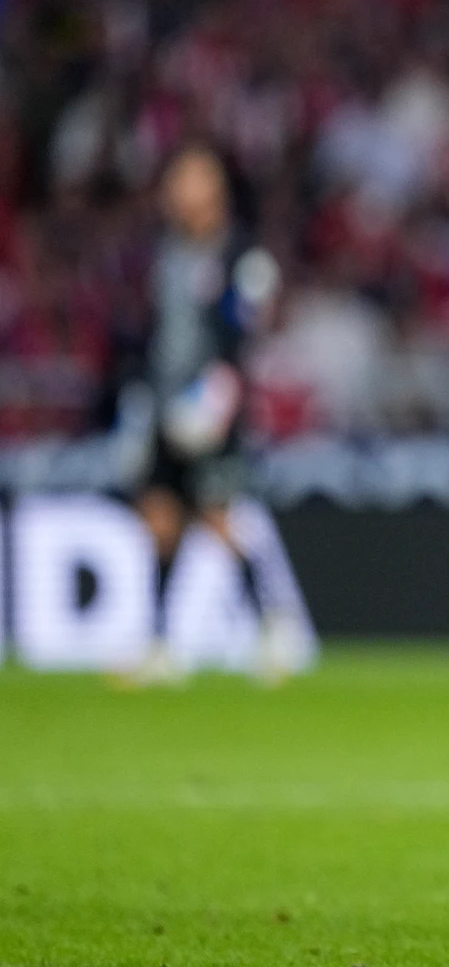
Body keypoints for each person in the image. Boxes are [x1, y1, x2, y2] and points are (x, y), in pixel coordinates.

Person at [129, 144, 287, 683]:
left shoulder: (240, 255)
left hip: (211, 406)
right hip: (162, 403)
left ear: (214, 188)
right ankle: (158, 642)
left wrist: (216, 398)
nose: (181, 190)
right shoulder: (165, 254)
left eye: (192, 178)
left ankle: (272, 623)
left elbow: (241, 332)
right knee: (159, 518)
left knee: (217, 519)